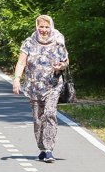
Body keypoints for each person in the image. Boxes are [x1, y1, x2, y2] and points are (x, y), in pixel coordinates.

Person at [12, 15, 69, 163]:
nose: (43, 30)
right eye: (41, 27)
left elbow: (66, 61)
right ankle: (42, 148)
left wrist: (60, 66)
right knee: (38, 119)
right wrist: (17, 79)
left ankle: (49, 149)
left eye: (46, 27)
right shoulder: (29, 42)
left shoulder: (58, 40)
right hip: (33, 86)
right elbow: (21, 63)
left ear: (51, 27)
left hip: (53, 84)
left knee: (49, 113)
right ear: (36, 27)